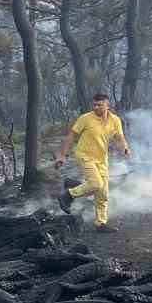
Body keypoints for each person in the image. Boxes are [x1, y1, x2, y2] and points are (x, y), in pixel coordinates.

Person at [56, 93, 132, 232]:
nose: (96, 107)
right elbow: (71, 136)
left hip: (102, 159)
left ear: (107, 105)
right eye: (95, 105)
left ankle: (100, 224)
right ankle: (68, 194)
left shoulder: (115, 120)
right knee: (96, 183)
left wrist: (125, 148)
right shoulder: (85, 118)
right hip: (84, 155)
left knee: (103, 193)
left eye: (100, 105)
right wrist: (62, 155)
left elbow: (120, 137)